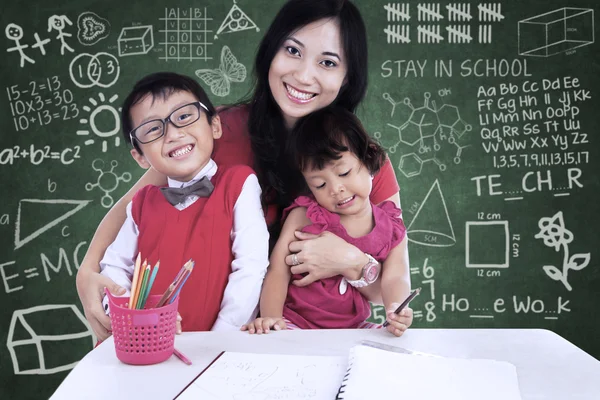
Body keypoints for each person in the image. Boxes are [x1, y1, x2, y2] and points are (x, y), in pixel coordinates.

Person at [76, 0, 413, 341]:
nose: (303, 75)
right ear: (270, 51)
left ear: (347, 77)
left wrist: (352, 263)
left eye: (327, 62)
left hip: (323, 338)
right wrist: (87, 274)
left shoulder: (363, 162)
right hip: (208, 335)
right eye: (292, 50)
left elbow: (385, 285)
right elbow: (136, 209)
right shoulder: (213, 131)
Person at [98, 72, 269, 332]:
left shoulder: (238, 183)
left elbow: (250, 266)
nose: (173, 134)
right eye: (153, 129)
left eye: (184, 117)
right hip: (147, 342)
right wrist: (131, 317)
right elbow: (115, 265)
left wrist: (222, 336)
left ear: (215, 125)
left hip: (218, 344)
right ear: (140, 157)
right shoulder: (141, 204)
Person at [242, 107, 410, 336]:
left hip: (352, 327)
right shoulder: (304, 216)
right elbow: (278, 271)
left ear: (369, 159)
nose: (336, 189)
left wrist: (396, 308)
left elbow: (396, 276)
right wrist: (271, 318)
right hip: (295, 323)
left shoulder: (391, 227)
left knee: (383, 348)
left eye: (344, 173)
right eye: (320, 185)